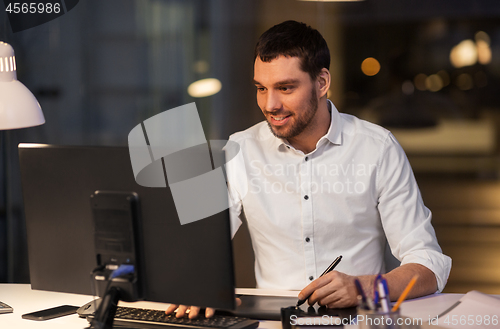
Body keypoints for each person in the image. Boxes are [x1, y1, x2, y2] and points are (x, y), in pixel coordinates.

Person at [166, 20, 451, 319]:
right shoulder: (240, 149)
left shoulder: (377, 148)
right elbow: (195, 242)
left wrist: (364, 287)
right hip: (273, 322)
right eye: (261, 88)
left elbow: (429, 264)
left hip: (360, 320)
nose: (270, 104)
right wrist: (197, 284)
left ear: (322, 82)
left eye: (285, 88)